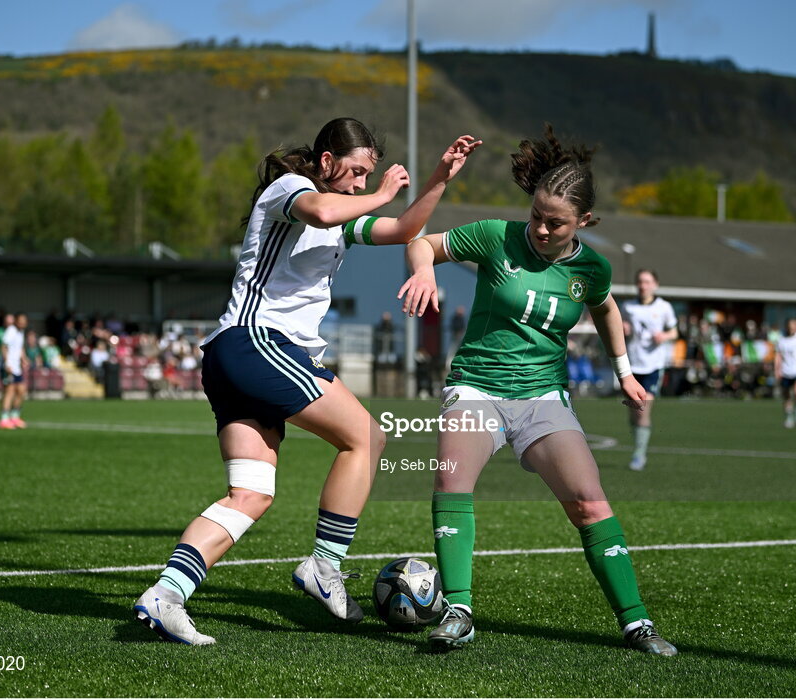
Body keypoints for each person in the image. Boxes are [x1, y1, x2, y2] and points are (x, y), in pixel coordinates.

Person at [133, 117, 480, 645]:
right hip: (258, 344)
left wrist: (438, 178)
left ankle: (165, 595)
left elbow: (404, 231)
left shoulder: (341, 215)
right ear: (326, 162)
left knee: (250, 493)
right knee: (366, 436)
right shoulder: (291, 190)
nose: (363, 184)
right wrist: (385, 191)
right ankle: (324, 564)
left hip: (235, 357)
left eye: (370, 177)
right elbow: (323, 209)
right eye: (358, 172)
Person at [398, 125, 676, 656]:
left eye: (557, 223)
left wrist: (624, 372)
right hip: (476, 386)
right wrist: (425, 271)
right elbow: (420, 242)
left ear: (584, 222)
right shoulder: (494, 236)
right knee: (452, 484)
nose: (542, 230)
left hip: (543, 397)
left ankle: (637, 623)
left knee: (590, 506)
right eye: (537, 217)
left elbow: (607, 308)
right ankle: (459, 610)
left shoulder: (592, 268)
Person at [620, 269, 677, 470]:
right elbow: (621, 329)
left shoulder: (664, 307)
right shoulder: (628, 307)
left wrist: (664, 336)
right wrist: (624, 329)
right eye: (640, 282)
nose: (643, 285)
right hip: (631, 366)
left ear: (655, 284)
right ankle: (638, 446)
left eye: (647, 281)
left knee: (643, 408)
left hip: (653, 366)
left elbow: (674, 331)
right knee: (633, 411)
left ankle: (639, 454)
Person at [0, 313, 29, 429]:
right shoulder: (11, 331)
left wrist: (24, 358)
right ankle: (4, 419)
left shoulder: (21, 332)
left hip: (17, 367)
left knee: (21, 390)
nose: (23, 323)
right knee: (10, 391)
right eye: (21, 320)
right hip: (9, 366)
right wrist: (7, 363)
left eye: (25, 320)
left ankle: (14, 416)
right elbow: (4, 346)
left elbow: (20, 347)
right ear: (16, 321)